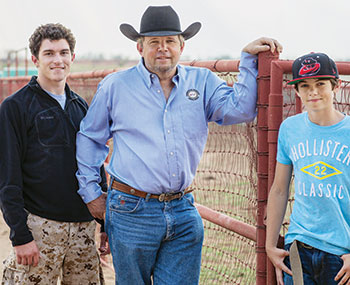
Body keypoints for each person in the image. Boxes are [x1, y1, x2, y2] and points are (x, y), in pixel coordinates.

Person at [76, 5, 282, 285]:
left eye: (170, 41)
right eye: (154, 42)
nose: (163, 48)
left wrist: (247, 59)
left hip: (183, 209)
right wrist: (90, 192)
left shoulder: (203, 81)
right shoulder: (116, 86)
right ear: (140, 48)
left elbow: (240, 110)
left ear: (181, 46)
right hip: (131, 209)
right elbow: (90, 137)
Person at [0, 23, 106, 284]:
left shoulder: (82, 107)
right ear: (35, 59)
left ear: (73, 57)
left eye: (63, 52)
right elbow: (7, 177)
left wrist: (106, 224)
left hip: (83, 229)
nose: (57, 60)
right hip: (39, 229)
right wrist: (20, 235)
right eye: (49, 53)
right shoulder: (15, 107)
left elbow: (95, 166)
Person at [266, 52, 350, 285]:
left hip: (342, 252)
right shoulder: (290, 129)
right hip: (299, 247)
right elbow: (280, 189)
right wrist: (270, 245)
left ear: (336, 85)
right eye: (304, 85)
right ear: (296, 91)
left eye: (320, 83)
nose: (313, 91)